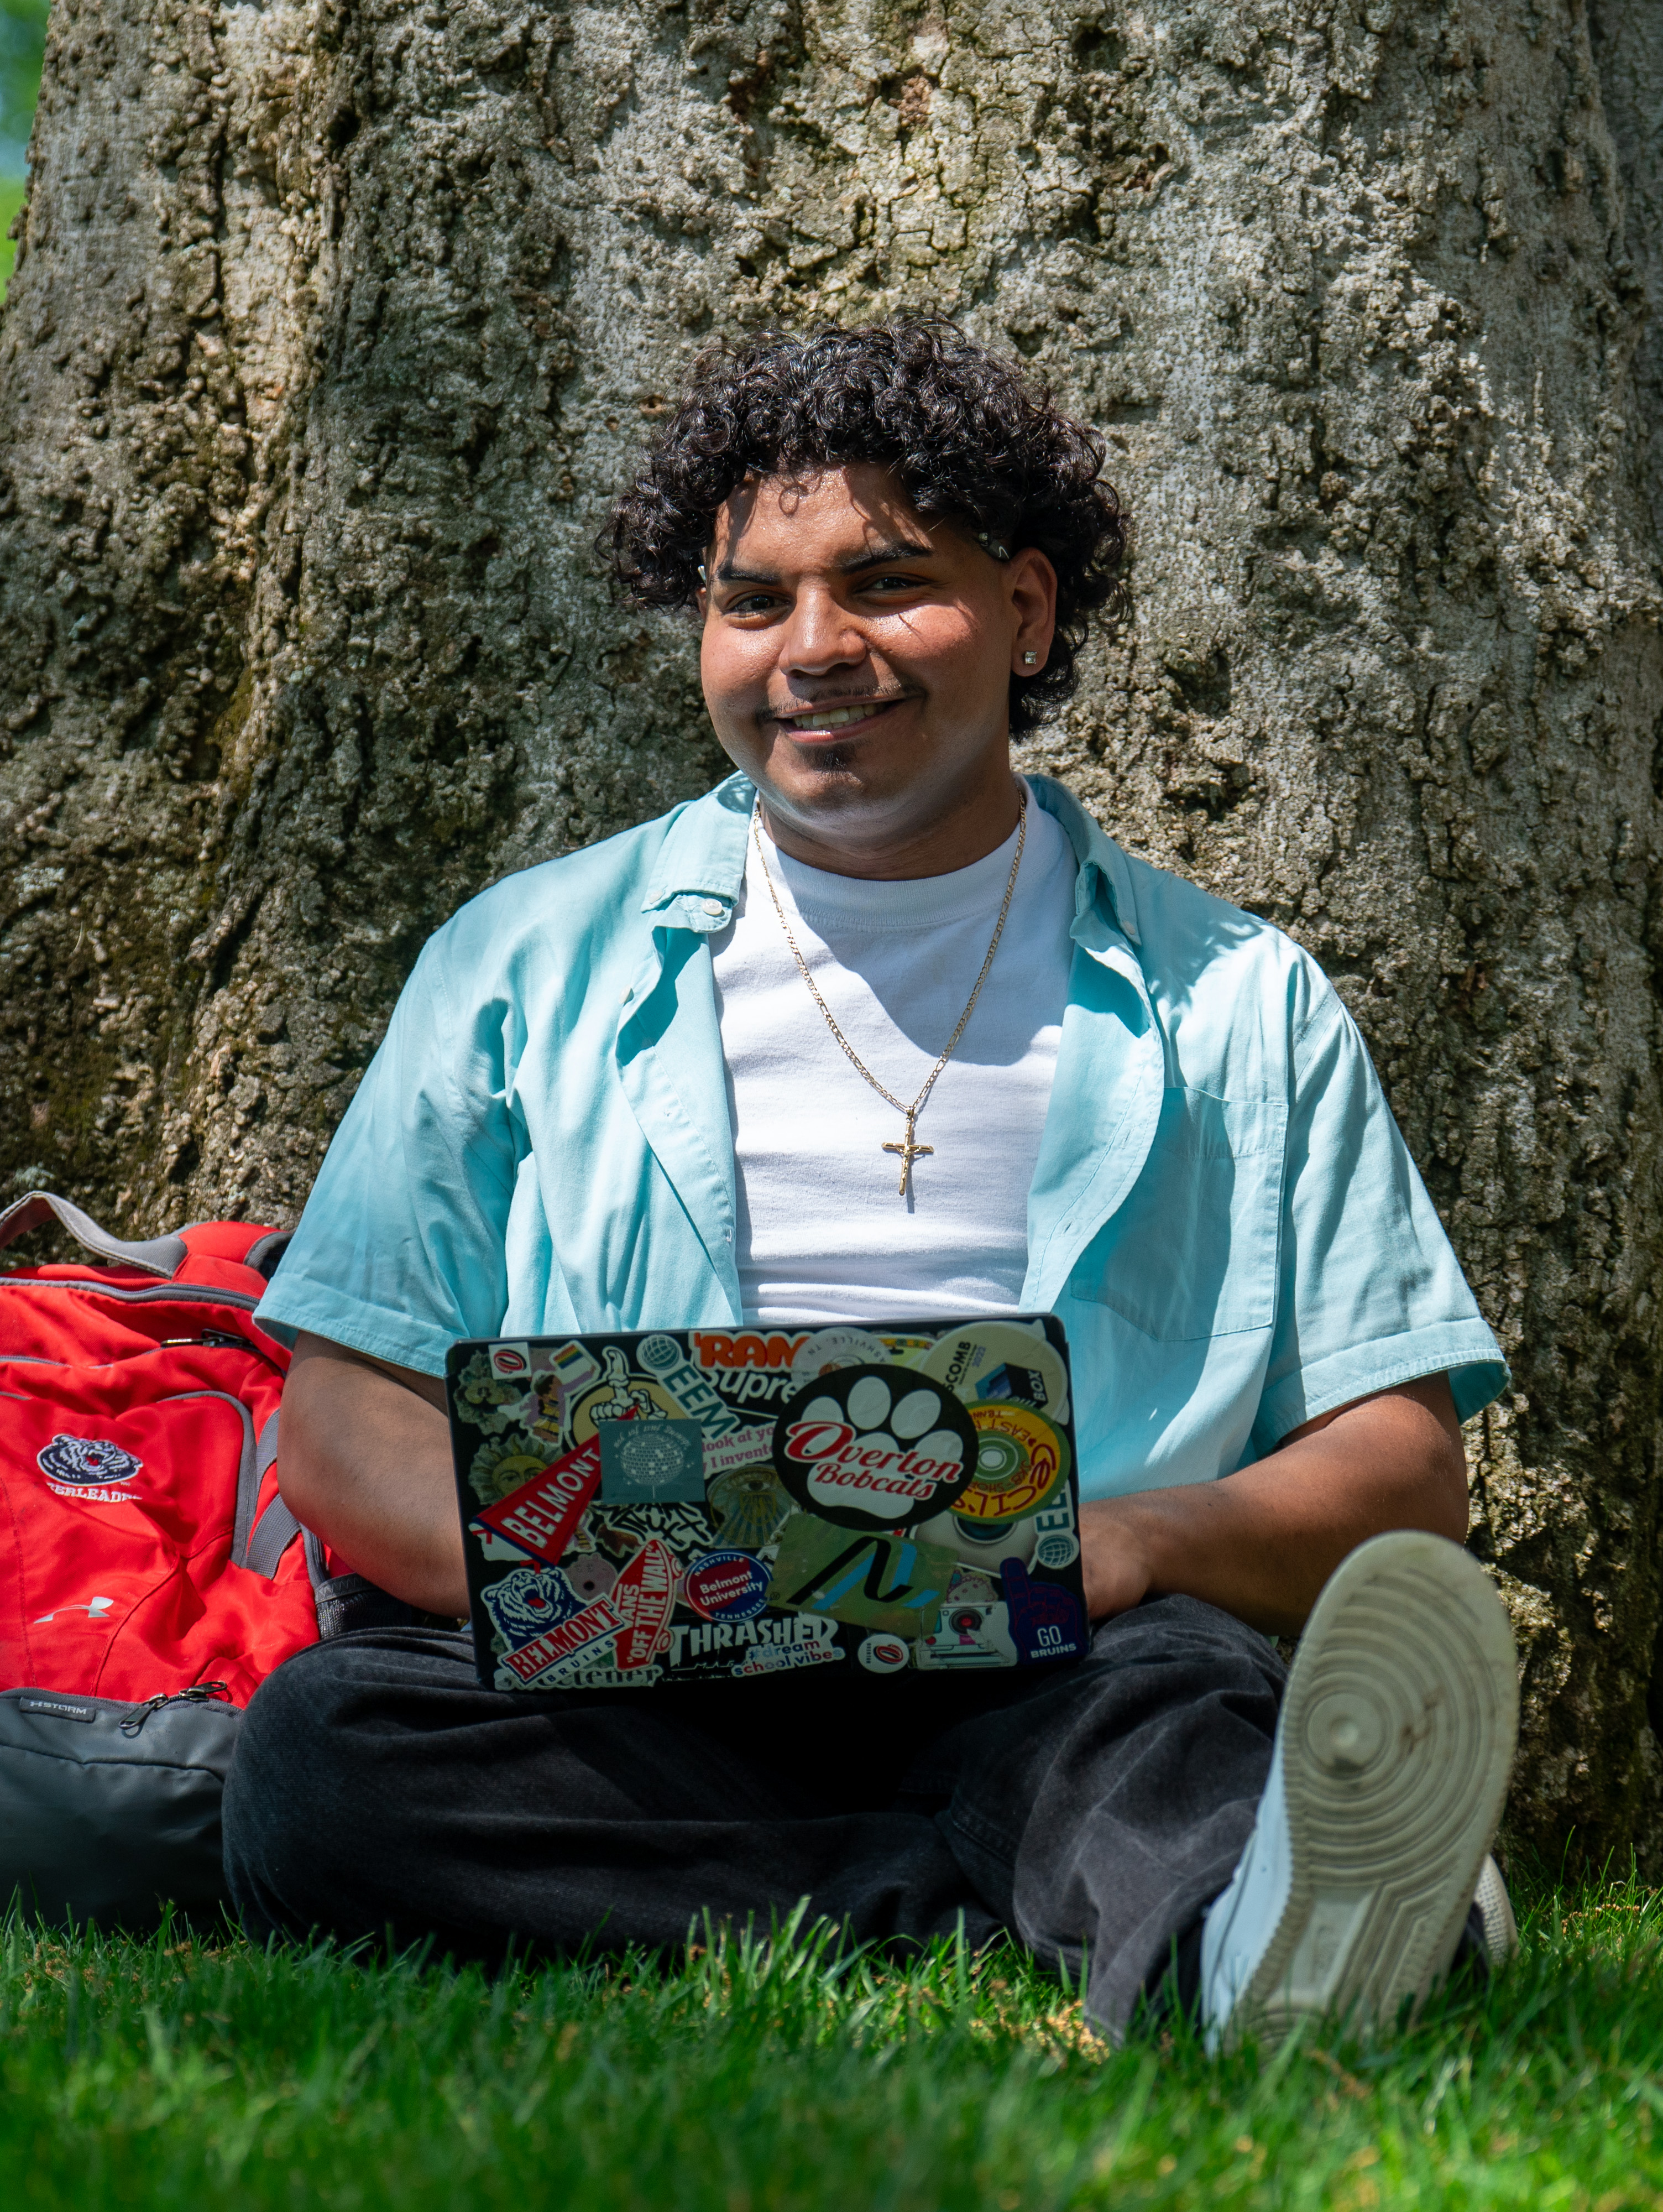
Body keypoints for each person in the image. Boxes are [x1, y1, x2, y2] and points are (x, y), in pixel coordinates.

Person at [223, 320, 1521, 2046]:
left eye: (889, 584)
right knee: (329, 1764)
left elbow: (1401, 1466)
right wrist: (622, 1570)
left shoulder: (1239, 999)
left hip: (1073, 1661)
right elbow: (344, 1421)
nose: (811, 650)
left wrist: (1133, 1538)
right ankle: (1136, 1913)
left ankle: (1234, 1906)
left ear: (1030, 612)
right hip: (645, 1675)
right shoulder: (520, 963)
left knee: (1171, 1734)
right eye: (752, 602)